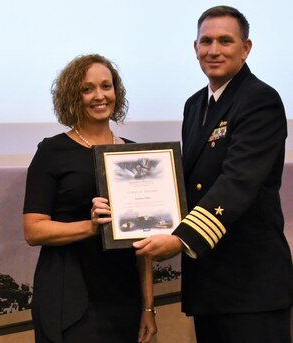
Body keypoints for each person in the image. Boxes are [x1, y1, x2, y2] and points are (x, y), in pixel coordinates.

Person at [133, 5, 293, 342]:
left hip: (252, 286)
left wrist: (180, 238)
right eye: (206, 41)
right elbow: (188, 182)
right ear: (195, 48)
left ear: (245, 48)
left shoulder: (260, 100)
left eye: (225, 41)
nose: (214, 50)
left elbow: (238, 183)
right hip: (209, 283)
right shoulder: (194, 105)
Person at [23, 54, 156, 343]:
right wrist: (91, 226)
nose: (99, 96)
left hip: (123, 294)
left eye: (106, 86)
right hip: (68, 294)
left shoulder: (135, 155)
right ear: (73, 96)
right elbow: (33, 230)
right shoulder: (51, 152)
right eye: (88, 89)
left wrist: (148, 307)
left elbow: (143, 244)